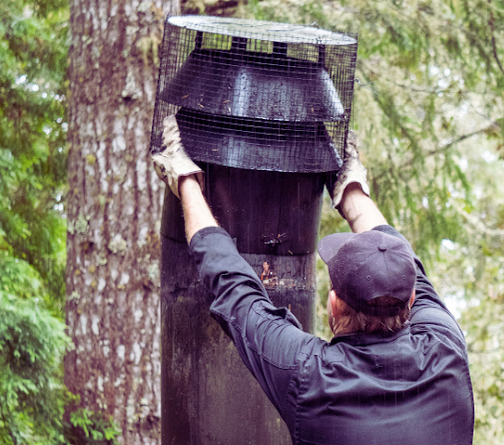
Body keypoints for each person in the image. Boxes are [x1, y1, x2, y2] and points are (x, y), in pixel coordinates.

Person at [152, 115, 475, 444]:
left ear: (333, 306)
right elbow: (402, 258)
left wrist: (184, 177)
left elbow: (232, 284)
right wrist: (349, 184)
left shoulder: (312, 377)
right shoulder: (445, 346)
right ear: (411, 299)